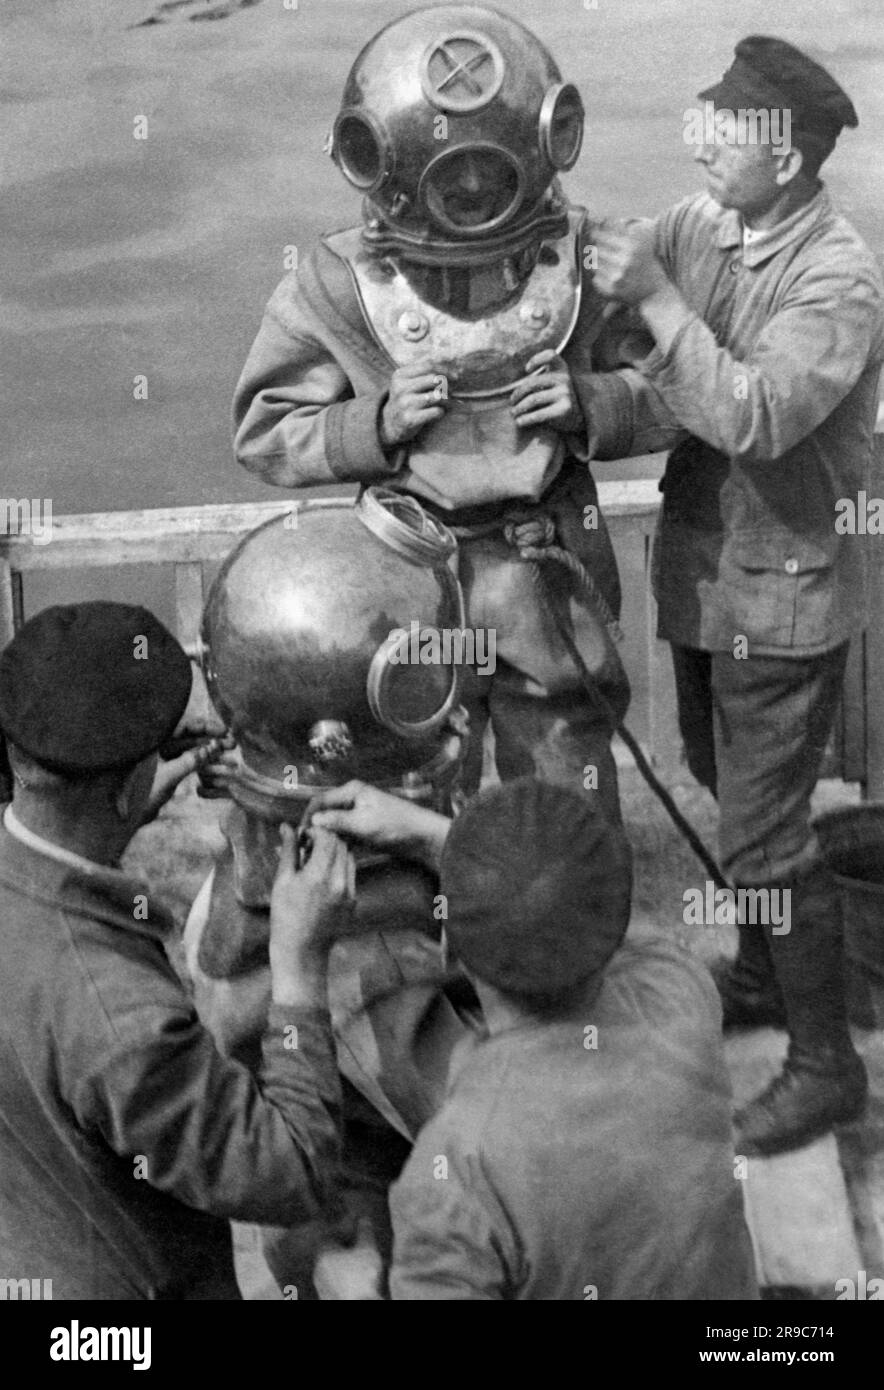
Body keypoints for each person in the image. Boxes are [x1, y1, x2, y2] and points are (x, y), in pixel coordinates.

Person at [584, 35, 884, 1155]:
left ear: (792, 158)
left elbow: (754, 414)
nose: (703, 139)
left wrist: (657, 302)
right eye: (703, 116)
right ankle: (765, 974)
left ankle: (823, 1068)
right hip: (708, 581)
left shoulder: (838, 278)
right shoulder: (699, 224)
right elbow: (645, 367)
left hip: (784, 595)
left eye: (732, 130)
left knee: (762, 835)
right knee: (722, 783)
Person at [231, 4, 636, 822]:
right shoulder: (338, 285)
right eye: (454, 181)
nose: (475, 191)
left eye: (489, 176)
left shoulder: (588, 259)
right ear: (379, 162)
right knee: (405, 780)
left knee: (561, 792)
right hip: (402, 579)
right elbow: (265, 432)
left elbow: (682, 388)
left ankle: (555, 938)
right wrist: (371, 425)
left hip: (543, 570)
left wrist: (597, 404)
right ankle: (426, 934)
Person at [0, 601, 355, 1300]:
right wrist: (298, 970)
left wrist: (120, 807)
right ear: (129, 785)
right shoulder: (118, 1017)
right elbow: (289, 1170)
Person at [308, 777, 757, 1301]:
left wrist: (357, 1293)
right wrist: (445, 841)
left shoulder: (456, 1173)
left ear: (456, 951)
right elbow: (594, 911)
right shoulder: (680, 995)